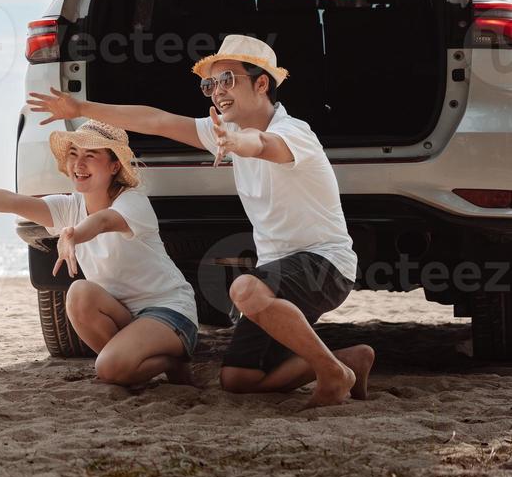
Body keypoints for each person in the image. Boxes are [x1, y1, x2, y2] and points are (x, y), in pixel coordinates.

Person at [28, 34, 373, 407]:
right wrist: (79, 106)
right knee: (238, 379)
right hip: (277, 275)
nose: (217, 92)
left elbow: (262, 145)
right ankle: (348, 361)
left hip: (326, 263)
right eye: (211, 83)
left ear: (261, 84)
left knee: (244, 289)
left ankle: (331, 374)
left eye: (228, 80)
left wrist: (237, 144)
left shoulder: (294, 133)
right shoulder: (228, 128)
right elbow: (154, 120)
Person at [0, 120, 197, 388]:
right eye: (73, 154)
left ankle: (167, 361)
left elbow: (104, 221)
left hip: (168, 311)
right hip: (126, 316)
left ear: (114, 166)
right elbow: (12, 202)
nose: (78, 164)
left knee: (109, 370)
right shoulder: (70, 206)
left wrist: (72, 234)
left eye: (91, 155)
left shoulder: (133, 203)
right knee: (79, 294)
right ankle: (142, 361)